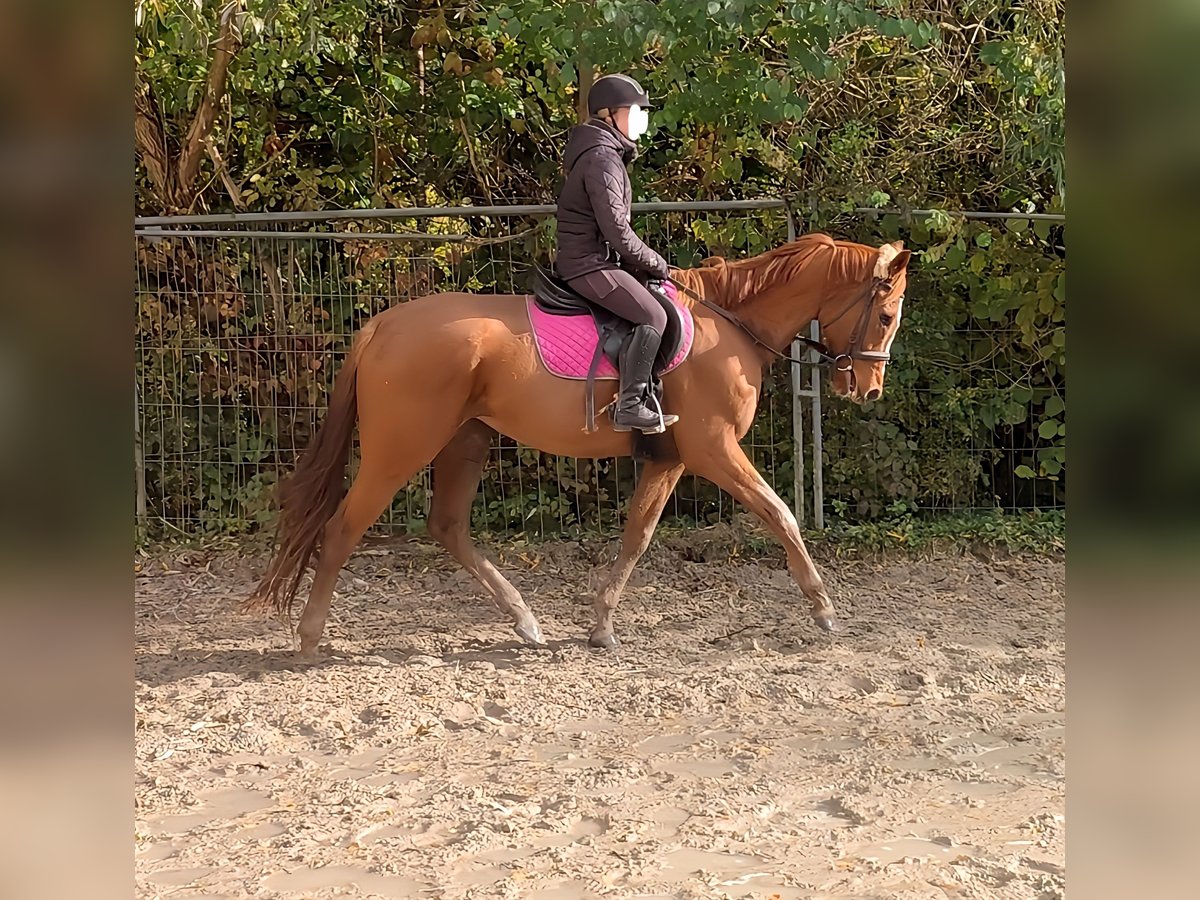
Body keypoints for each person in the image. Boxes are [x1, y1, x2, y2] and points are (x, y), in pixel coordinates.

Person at [555, 73, 678, 433]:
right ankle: (629, 405)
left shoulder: (604, 154)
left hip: (594, 259)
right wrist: (655, 261)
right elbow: (618, 233)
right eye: (634, 111)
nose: (641, 119)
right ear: (609, 114)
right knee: (654, 316)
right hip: (587, 264)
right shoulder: (601, 159)